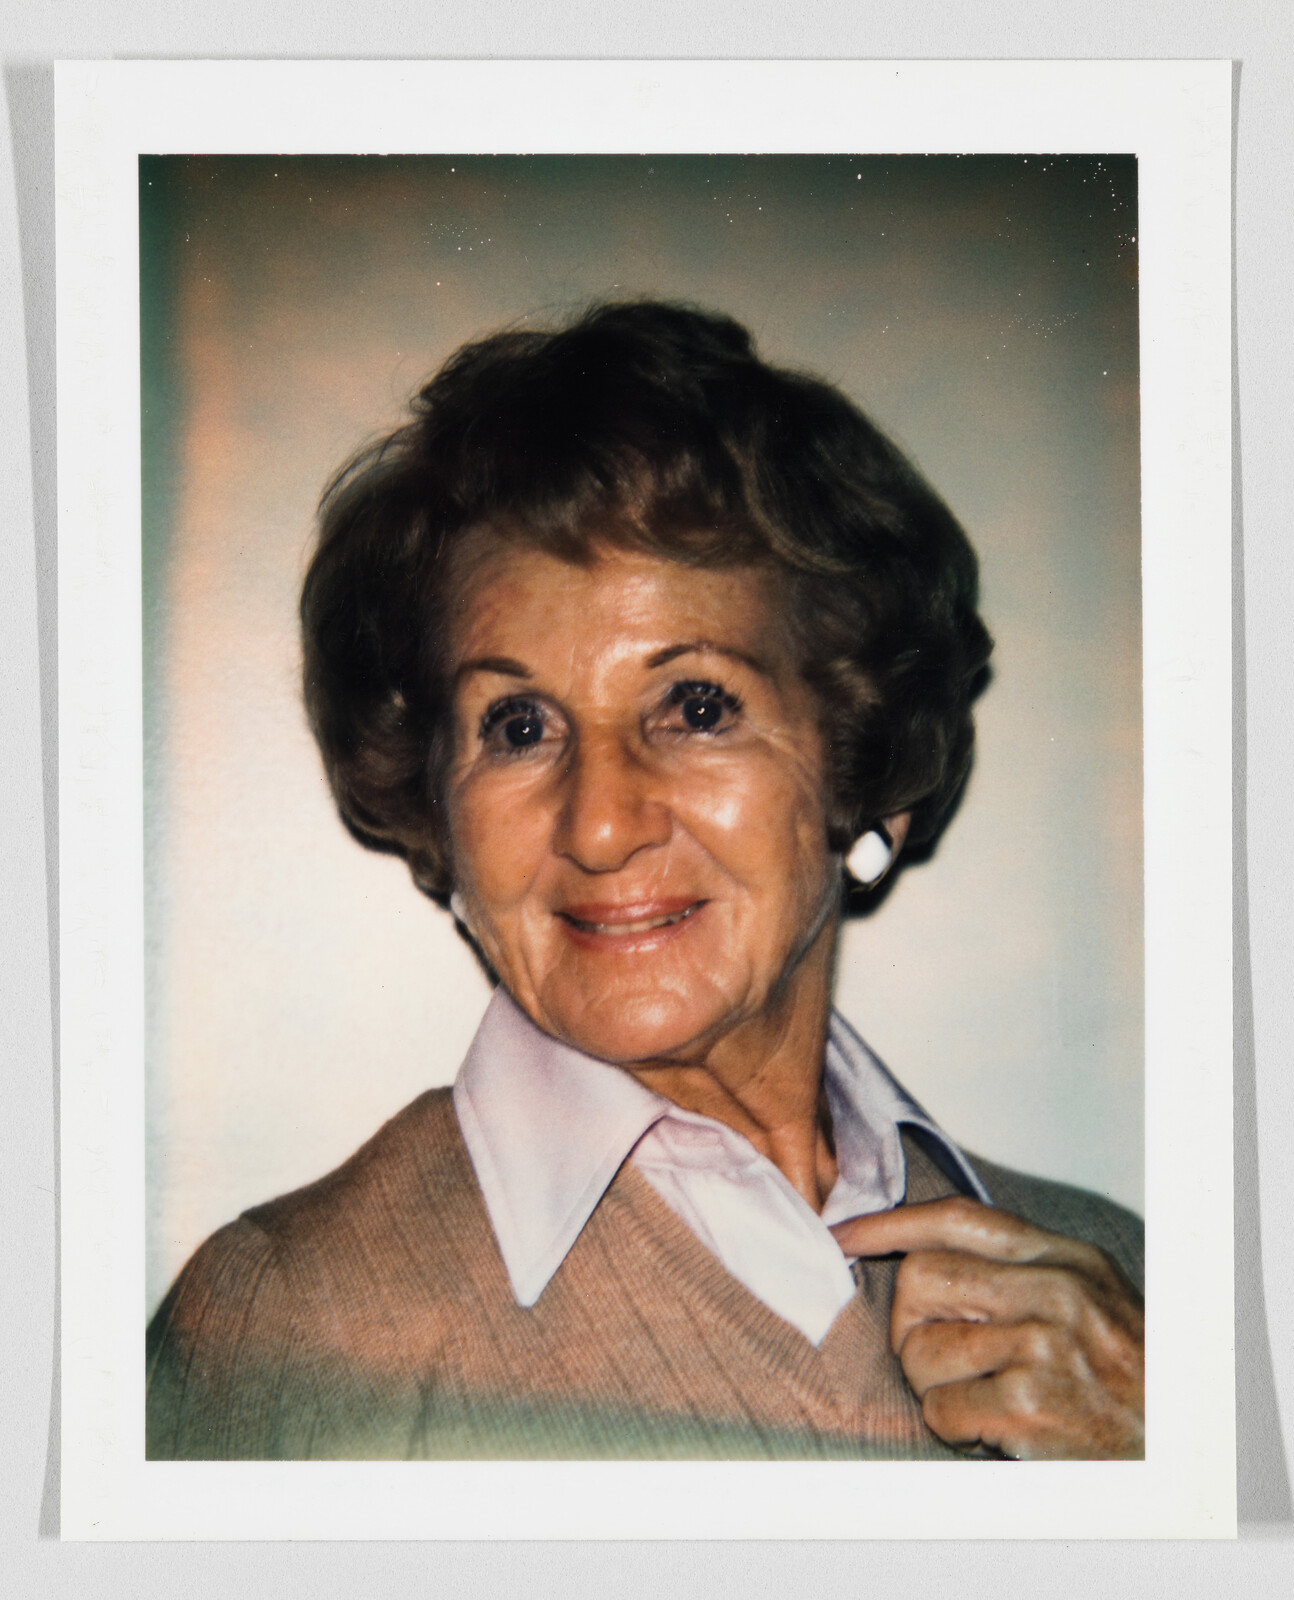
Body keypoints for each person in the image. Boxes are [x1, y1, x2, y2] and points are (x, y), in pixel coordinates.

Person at [146, 300, 1144, 1462]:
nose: (602, 822)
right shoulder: (285, 1327)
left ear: (862, 766)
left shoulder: (1108, 1296)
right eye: (517, 724)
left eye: (697, 705)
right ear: (439, 811)